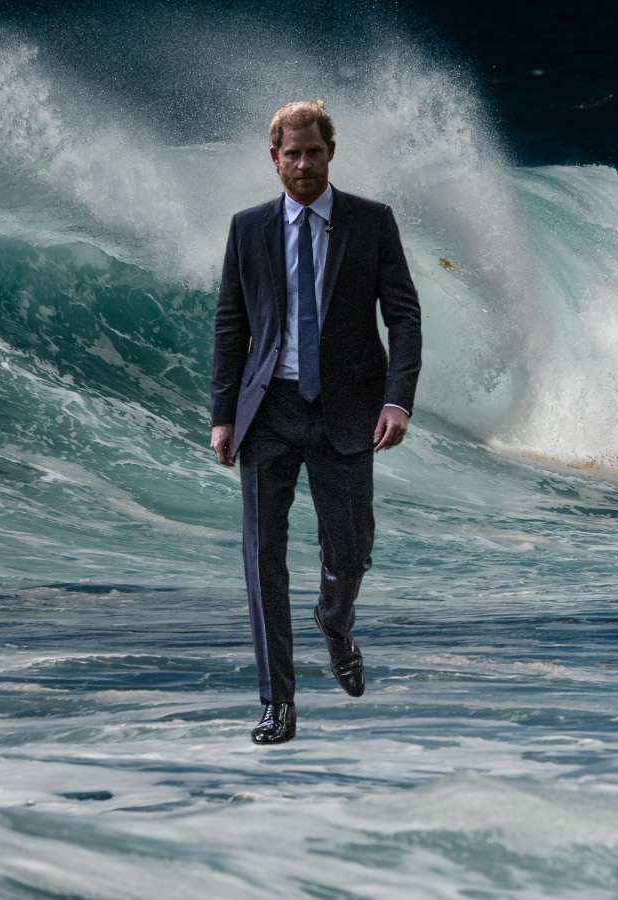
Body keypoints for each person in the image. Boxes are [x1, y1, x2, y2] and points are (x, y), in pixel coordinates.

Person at [209, 100, 423, 744]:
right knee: (261, 559)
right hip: (268, 410)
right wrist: (223, 415)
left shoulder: (371, 222)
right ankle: (278, 702)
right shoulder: (248, 228)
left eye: (314, 152)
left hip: (348, 409)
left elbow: (404, 317)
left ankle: (334, 621)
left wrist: (398, 399)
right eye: (291, 154)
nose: (303, 164)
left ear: (332, 153)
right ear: (274, 159)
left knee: (350, 550)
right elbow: (231, 323)